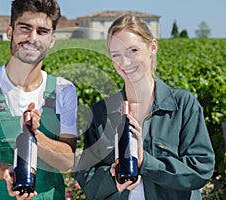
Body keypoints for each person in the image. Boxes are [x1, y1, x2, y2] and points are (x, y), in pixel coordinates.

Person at [75, 14, 215, 200]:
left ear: (152, 47)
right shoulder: (100, 113)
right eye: (116, 54)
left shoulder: (183, 105)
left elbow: (200, 169)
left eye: (133, 50)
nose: (125, 62)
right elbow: (87, 178)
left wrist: (145, 163)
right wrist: (111, 179)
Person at [0, 0, 78, 199]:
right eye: (25, 28)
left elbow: (66, 161)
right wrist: (8, 172)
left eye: (42, 31)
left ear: (52, 40)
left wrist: (36, 135)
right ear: (10, 32)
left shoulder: (63, 90)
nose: (32, 38)